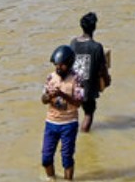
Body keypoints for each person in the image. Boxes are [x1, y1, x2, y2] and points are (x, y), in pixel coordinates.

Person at [41, 45, 85, 180]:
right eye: (56, 65)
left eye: (62, 65)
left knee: (66, 158)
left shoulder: (77, 79)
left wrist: (62, 94)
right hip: (51, 122)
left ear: (69, 64)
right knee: (46, 158)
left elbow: (78, 103)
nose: (58, 68)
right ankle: (51, 178)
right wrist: (49, 96)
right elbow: (43, 99)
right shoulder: (51, 77)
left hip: (69, 123)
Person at [69, 13, 111, 133]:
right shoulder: (97, 47)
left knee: (73, 113)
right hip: (88, 88)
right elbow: (103, 68)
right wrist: (107, 81)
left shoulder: (73, 43)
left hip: (73, 85)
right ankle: (85, 134)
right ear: (94, 27)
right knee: (88, 113)